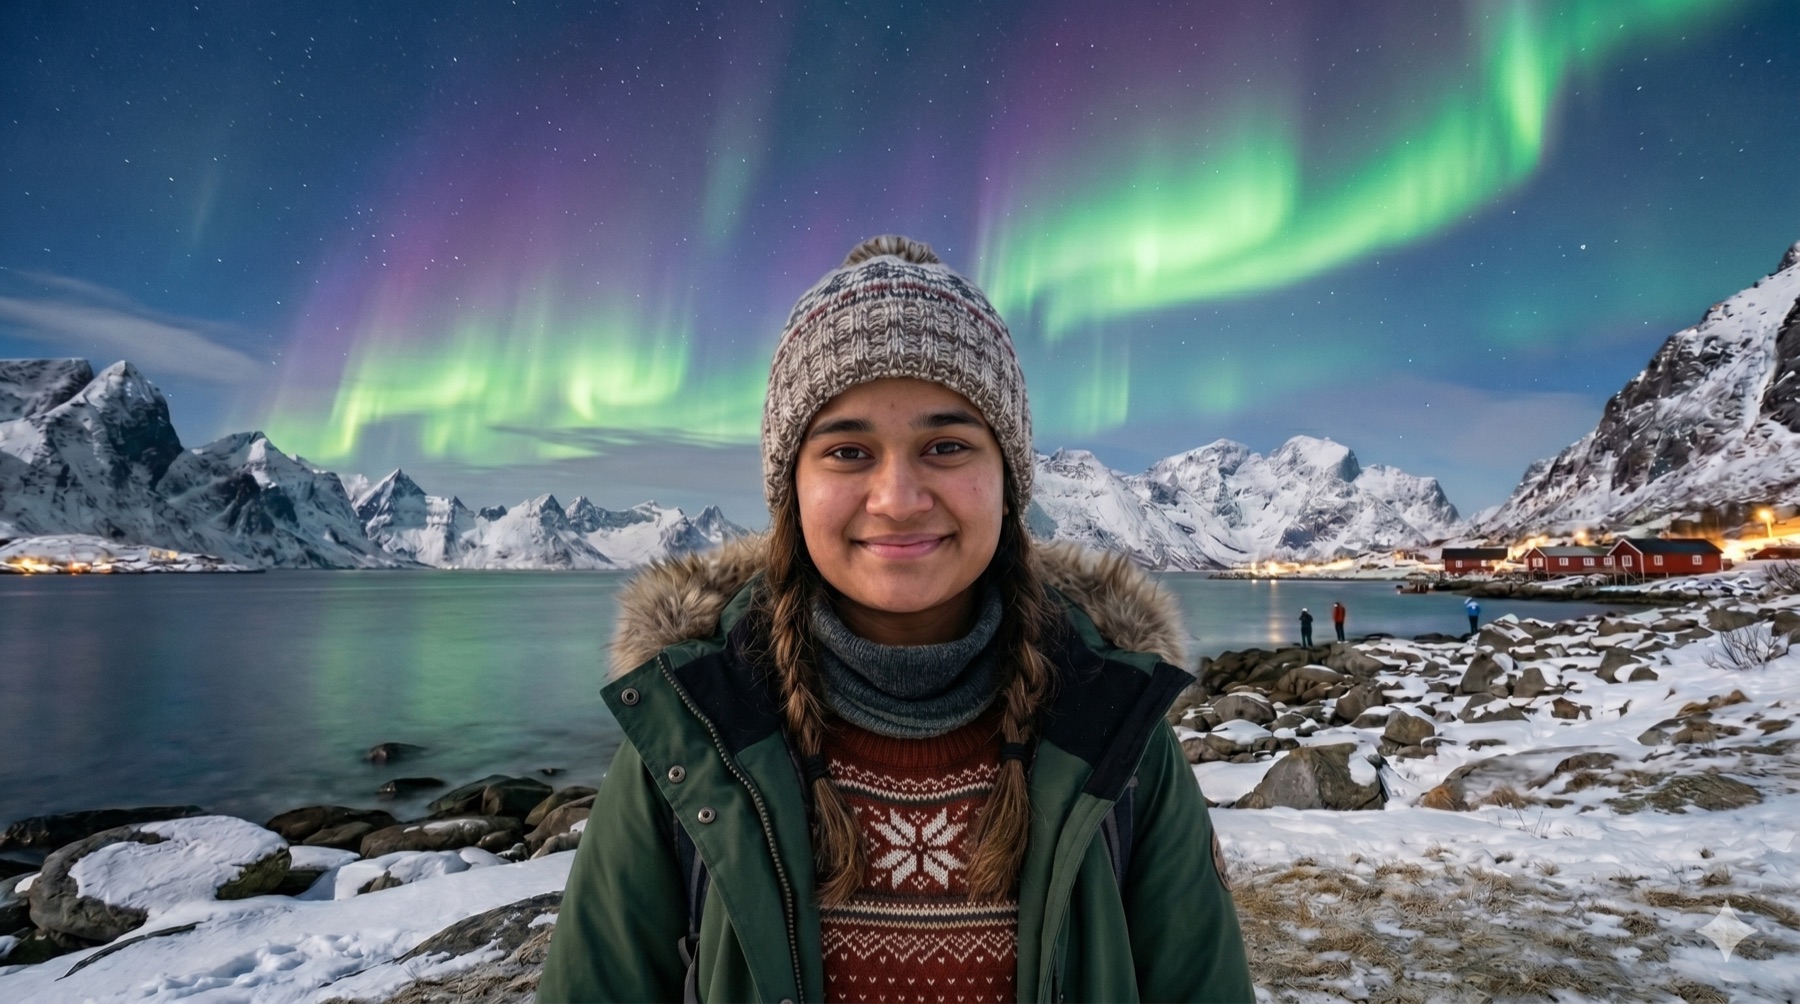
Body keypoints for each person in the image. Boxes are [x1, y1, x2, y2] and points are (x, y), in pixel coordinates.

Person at [538, 236, 1253, 1003]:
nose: (898, 498)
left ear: (1007, 483)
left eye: (946, 445)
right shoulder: (695, 729)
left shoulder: (1116, 726)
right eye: (848, 452)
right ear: (792, 489)